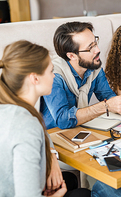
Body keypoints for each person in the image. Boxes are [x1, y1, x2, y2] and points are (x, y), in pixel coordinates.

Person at [0, 40, 67, 196]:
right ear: (35, 78)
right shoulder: (26, 124)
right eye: (51, 71)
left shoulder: (9, 111)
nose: (54, 75)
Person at [40, 22, 121, 130]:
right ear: (72, 56)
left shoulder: (93, 67)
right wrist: (106, 106)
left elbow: (108, 96)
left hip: (82, 129)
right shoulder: (53, 76)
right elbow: (63, 119)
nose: (98, 50)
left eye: (95, 43)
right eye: (90, 48)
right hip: (53, 135)